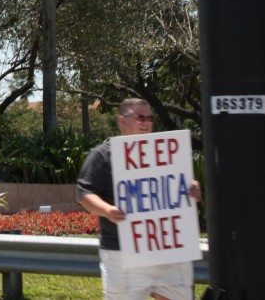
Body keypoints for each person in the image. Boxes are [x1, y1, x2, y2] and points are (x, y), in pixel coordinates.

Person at [76, 98, 201, 300]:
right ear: (122, 121)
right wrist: (107, 210)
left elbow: (179, 183)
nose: (146, 122)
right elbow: (84, 194)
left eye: (150, 118)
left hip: (169, 251)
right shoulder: (102, 155)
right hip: (122, 253)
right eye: (140, 117)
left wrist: (192, 187)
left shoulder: (166, 152)